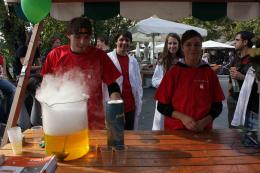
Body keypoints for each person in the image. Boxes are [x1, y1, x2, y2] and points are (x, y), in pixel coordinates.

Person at [41, 17, 122, 130]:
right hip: (62, 120)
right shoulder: (55, 55)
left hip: (94, 122)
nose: (82, 42)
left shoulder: (100, 56)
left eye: (86, 37)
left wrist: (117, 109)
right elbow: (46, 86)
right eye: (77, 37)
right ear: (68, 35)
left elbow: (112, 85)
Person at [154, 30, 225, 131]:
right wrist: (183, 118)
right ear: (182, 47)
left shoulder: (209, 73)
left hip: (204, 131)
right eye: (188, 45)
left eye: (197, 45)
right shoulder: (173, 73)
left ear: (201, 48)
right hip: (176, 131)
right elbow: (161, 106)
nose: (193, 48)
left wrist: (205, 121)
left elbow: (218, 106)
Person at [106, 30, 142, 130]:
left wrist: (139, 98)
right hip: (114, 106)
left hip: (130, 106)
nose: (124, 43)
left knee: (130, 137)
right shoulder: (107, 58)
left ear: (130, 43)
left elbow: (138, 83)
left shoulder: (133, 61)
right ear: (116, 42)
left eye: (127, 40)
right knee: (116, 137)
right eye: (121, 40)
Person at [151, 33, 182, 130]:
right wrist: (167, 83)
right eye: (170, 43)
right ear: (166, 45)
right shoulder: (162, 61)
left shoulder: (184, 61)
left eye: (175, 43)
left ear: (179, 44)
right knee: (161, 126)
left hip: (180, 99)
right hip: (164, 97)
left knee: (177, 125)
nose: (172, 46)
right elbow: (154, 80)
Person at [227, 31, 254, 128]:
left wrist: (242, 77)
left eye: (237, 40)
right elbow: (231, 77)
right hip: (233, 99)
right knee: (232, 131)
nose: (235, 42)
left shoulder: (254, 59)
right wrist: (229, 94)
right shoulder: (236, 58)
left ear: (245, 42)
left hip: (248, 102)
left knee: (246, 132)